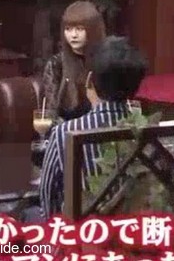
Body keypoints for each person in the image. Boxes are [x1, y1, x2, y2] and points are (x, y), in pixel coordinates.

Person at [39, 36, 147, 218]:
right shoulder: (148, 130)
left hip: (81, 232)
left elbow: (48, 200)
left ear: (89, 80)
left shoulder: (64, 133)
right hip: (135, 230)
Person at [41, 1, 107, 122]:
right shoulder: (56, 64)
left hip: (101, 128)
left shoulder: (105, 62)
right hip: (65, 130)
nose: (73, 35)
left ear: (93, 30)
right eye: (68, 29)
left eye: (79, 29)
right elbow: (50, 115)